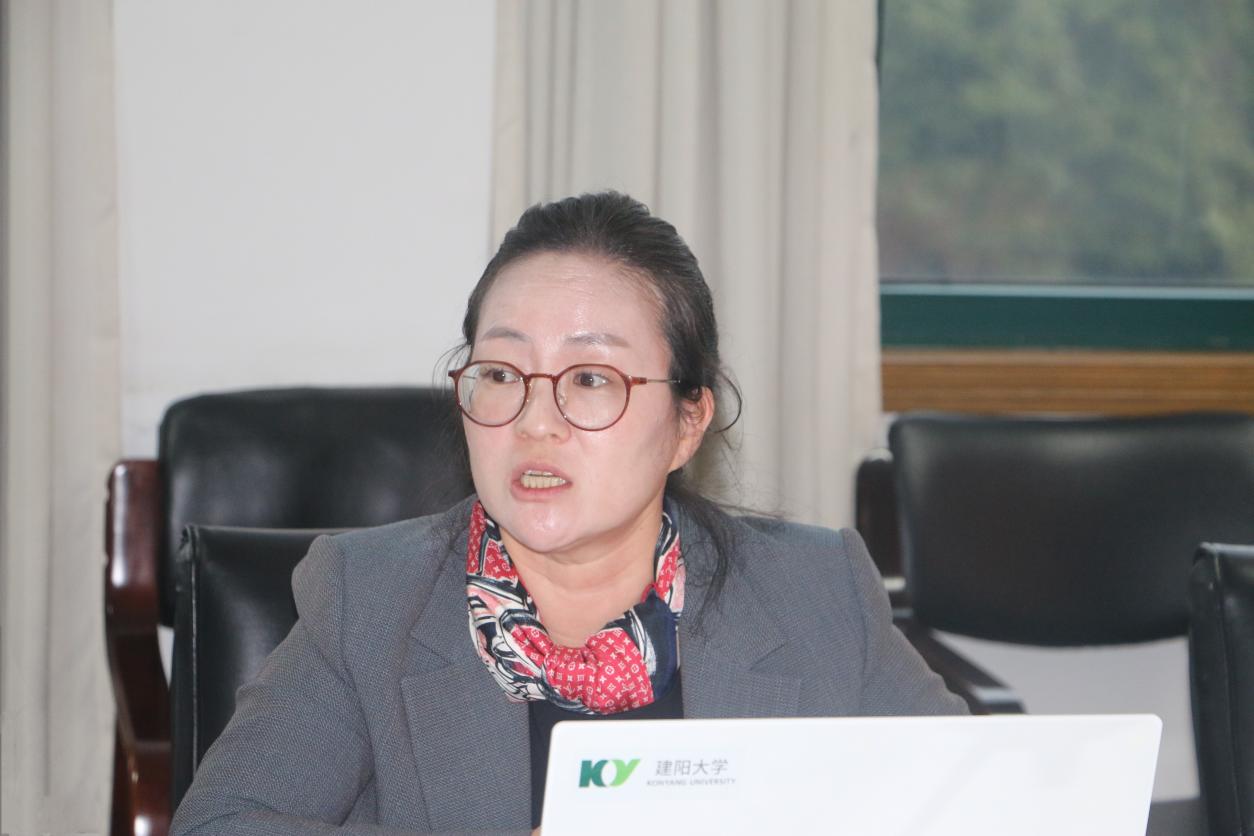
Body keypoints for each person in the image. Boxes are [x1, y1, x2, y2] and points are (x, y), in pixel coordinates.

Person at [171, 191, 965, 836]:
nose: (535, 421)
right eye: (501, 373)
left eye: (590, 379)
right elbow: (222, 825)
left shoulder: (815, 590)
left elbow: (975, 807)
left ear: (688, 422)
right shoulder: (369, 598)